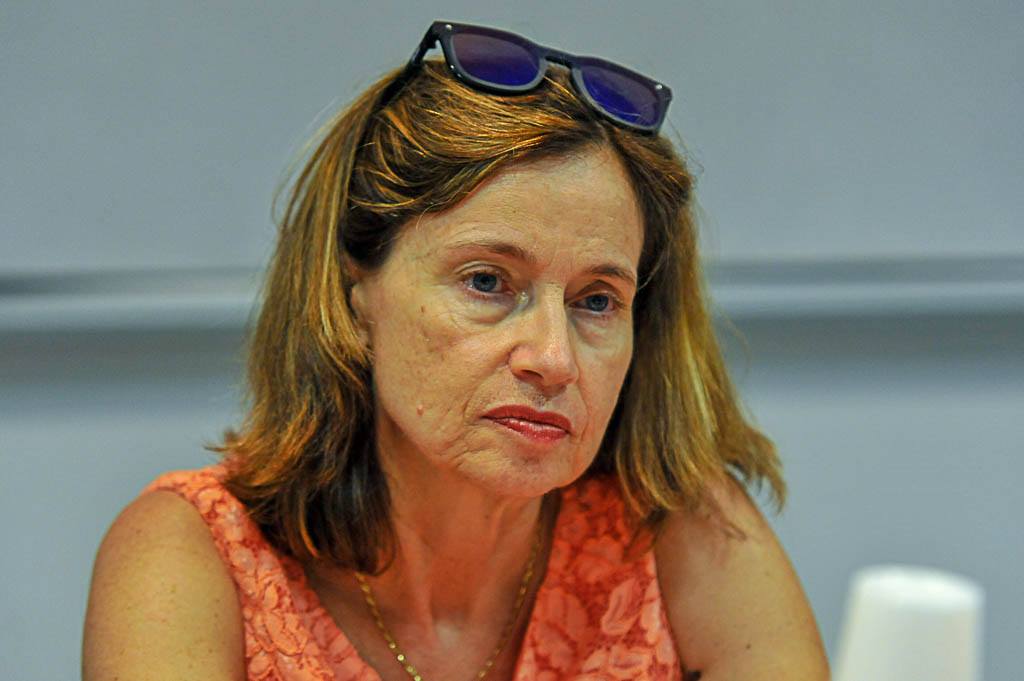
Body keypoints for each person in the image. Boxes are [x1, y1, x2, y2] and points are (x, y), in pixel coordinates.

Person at [82, 19, 829, 681]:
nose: (554, 358)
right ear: (353, 295)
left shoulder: (677, 528)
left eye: (597, 300)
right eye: (487, 282)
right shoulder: (192, 553)